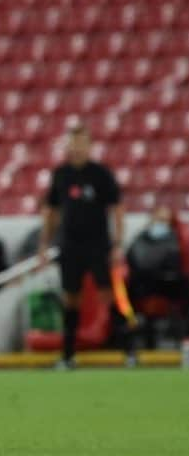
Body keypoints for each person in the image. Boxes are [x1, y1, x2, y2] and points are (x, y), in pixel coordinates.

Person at [38, 124, 130, 368]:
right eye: (72, 144)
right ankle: (68, 356)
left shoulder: (101, 174)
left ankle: (128, 351)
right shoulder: (61, 174)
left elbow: (117, 209)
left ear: (89, 147)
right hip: (70, 246)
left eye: (81, 144)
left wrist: (118, 243)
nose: (76, 149)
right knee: (71, 300)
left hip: (98, 245)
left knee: (108, 296)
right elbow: (52, 212)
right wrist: (44, 245)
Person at [126, 206, 187, 347]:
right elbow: (133, 260)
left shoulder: (176, 239)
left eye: (165, 220)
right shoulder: (140, 239)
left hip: (169, 286)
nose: (162, 223)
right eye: (159, 219)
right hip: (142, 286)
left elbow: (175, 263)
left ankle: (183, 341)